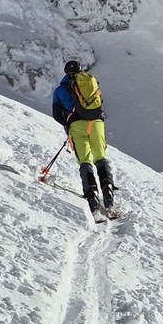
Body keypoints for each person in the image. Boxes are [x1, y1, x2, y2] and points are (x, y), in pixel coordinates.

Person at [52, 59, 116, 218]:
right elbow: (99, 103)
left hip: (77, 126)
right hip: (96, 124)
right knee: (100, 157)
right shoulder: (91, 82)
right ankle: (108, 192)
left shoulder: (60, 90)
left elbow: (56, 115)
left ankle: (92, 197)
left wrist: (68, 124)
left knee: (85, 161)